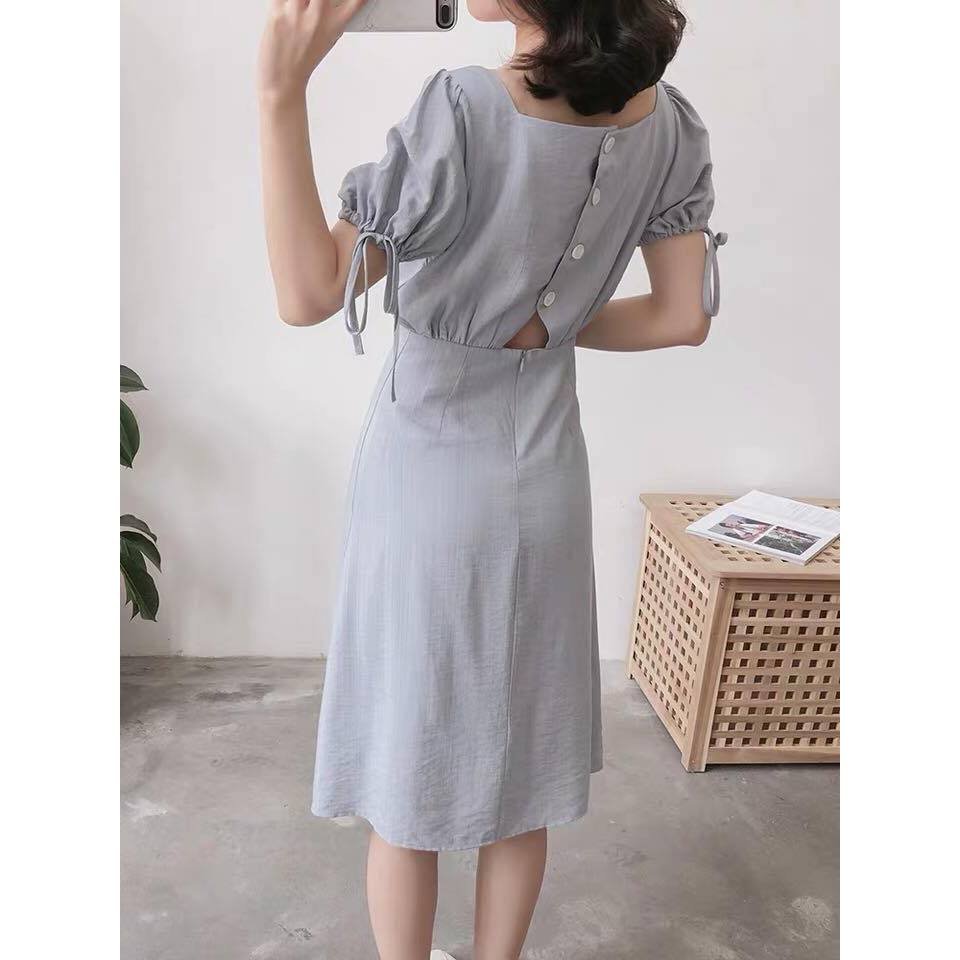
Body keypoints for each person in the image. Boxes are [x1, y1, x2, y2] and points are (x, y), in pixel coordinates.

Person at [257, 1, 725, 957]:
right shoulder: (667, 120)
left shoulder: (466, 107)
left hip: (425, 477)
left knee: (409, 767)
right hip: (547, 473)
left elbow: (308, 292)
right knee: (521, 764)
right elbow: (682, 317)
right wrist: (543, 326)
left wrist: (279, 91)